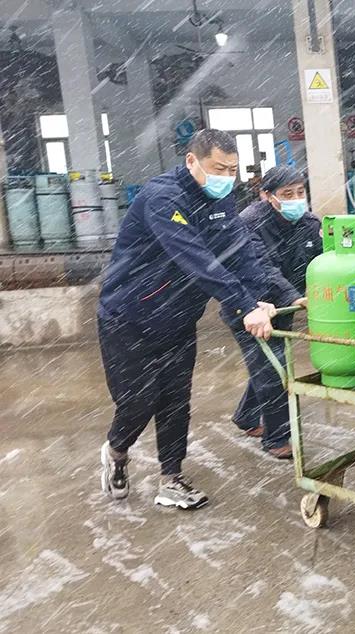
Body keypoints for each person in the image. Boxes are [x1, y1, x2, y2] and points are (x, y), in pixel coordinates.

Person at [98, 129, 276, 510]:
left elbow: (239, 249)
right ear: (191, 160)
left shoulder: (221, 199)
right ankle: (116, 451)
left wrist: (256, 296)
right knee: (139, 400)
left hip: (178, 318)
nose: (226, 177)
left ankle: (171, 479)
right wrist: (243, 304)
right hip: (128, 317)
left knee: (176, 400)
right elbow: (194, 257)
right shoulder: (162, 198)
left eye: (232, 170)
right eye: (218, 168)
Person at [231, 166, 322, 458]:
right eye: (287, 194)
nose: (296, 199)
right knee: (273, 369)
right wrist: (295, 296)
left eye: (300, 192)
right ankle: (276, 439)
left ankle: (246, 416)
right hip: (249, 307)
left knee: (267, 363)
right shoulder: (249, 223)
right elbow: (264, 269)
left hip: (282, 308)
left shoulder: (310, 223)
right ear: (267, 196)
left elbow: (324, 259)